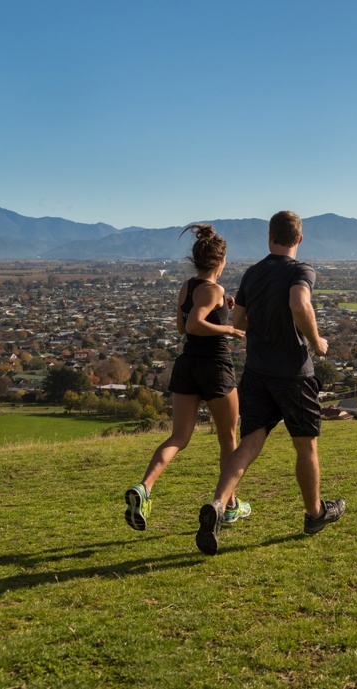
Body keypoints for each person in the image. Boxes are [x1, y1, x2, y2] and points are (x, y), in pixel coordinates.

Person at [195, 210, 344, 555]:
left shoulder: (253, 273)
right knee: (306, 446)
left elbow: (240, 320)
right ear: (300, 240)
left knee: (249, 443)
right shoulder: (300, 270)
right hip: (294, 374)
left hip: (257, 372)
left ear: (269, 237)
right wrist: (317, 341)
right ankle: (314, 513)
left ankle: (219, 505)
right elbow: (298, 302)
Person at [125, 224, 249, 531]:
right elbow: (194, 324)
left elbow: (182, 329)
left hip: (188, 364)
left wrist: (221, 311)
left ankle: (144, 488)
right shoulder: (215, 289)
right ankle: (229, 505)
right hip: (215, 367)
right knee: (228, 438)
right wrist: (230, 329)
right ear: (221, 262)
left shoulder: (187, 287)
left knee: (179, 437)